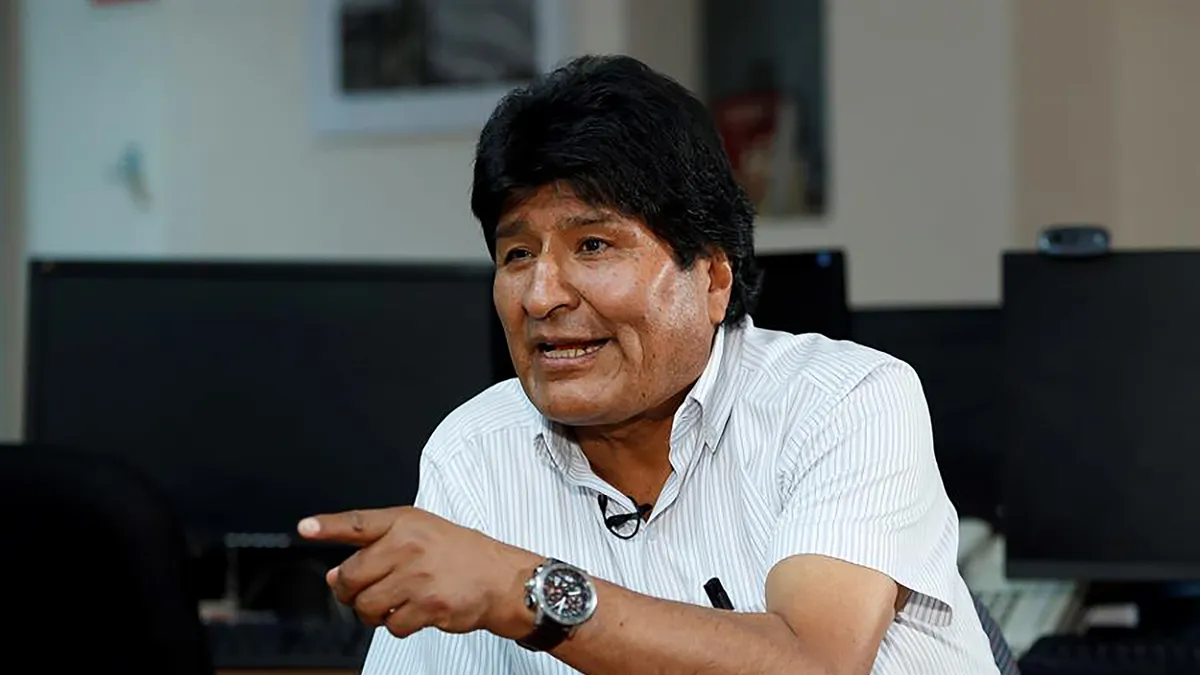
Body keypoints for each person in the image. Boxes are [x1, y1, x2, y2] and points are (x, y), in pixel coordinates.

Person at [297, 54, 1001, 674]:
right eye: (517, 254)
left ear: (713, 277)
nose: (541, 295)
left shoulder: (845, 400)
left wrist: (524, 590)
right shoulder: (474, 454)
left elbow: (813, 664)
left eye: (593, 246)